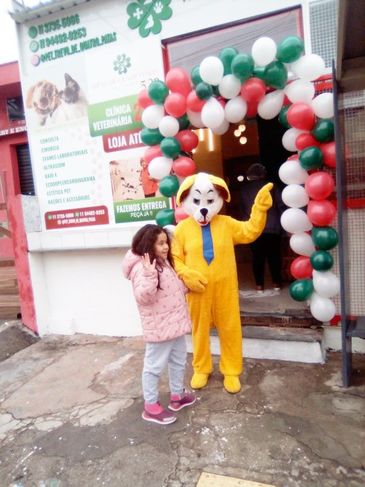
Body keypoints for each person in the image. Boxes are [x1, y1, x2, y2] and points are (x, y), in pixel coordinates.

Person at [122, 224, 196, 425]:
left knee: (179, 360)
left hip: (175, 323)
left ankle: (177, 396)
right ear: (148, 244)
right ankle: (151, 406)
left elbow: (170, 289)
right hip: (160, 327)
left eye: (166, 243)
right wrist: (149, 274)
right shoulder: (142, 267)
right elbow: (144, 297)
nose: (165, 247)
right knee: (153, 367)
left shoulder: (162, 262)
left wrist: (187, 285)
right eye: (161, 243)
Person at [240, 163, 286, 293]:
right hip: (272, 228)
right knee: (274, 257)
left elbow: (243, 211)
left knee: (257, 258)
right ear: (263, 174)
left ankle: (259, 285)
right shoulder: (271, 187)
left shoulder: (244, 190)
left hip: (254, 228)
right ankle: (276, 284)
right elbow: (281, 205)